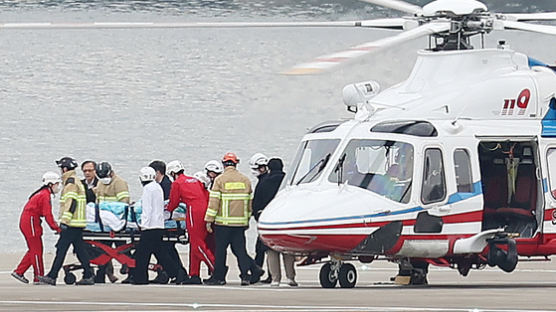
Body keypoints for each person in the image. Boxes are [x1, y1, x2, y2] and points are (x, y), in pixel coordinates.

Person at [204, 153, 263, 286]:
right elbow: (249, 204)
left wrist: (209, 220)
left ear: (224, 164)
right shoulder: (245, 180)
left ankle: (219, 277)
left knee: (220, 251)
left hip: (222, 223)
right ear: (236, 164)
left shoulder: (220, 180)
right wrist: (247, 220)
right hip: (240, 223)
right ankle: (245, 276)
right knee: (241, 250)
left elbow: (214, 203)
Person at [38, 157, 94, 286]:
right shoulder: (76, 181)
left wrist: (65, 221)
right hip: (77, 223)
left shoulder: (70, 183)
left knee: (61, 249)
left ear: (64, 169)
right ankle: (88, 274)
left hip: (72, 224)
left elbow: (71, 202)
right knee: (80, 250)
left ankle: (52, 276)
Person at [132, 167, 185, 285]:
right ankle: (177, 273)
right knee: (160, 253)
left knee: (142, 254)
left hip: (149, 227)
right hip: (159, 226)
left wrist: (143, 225)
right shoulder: (157, 187)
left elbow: (147, 209)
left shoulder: (147, 189)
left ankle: (140, 278)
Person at [167, 160, 214, 284]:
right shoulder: (194, 180)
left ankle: (216, 268)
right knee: (195, 244)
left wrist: (167, 211)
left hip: (194, 211)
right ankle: (194, 274)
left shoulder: (177, 183)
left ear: (172, 173)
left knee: (197, 244)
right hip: (204, 209)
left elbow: (173, 202)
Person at [12, 172, 62, 284]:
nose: (58, 186)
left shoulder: (41, 193)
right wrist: (56, 228)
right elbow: (47, 214)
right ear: (50, 184)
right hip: (31, 223)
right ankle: (38, 276)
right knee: (37, 251)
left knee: (34, 249)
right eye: (57, 184)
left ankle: (19, 271)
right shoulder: (45, 195)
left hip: (28, 222)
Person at [257, 158, 297, 287]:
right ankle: (291, 278)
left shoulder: (264, 182)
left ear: (268, 168)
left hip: (270, 219)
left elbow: (256, 202)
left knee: (271, 251)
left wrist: (259, 218)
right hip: (287, 219)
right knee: (288, 251)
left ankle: (275, 279)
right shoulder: (289, 181)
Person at [148, 159, 187, 284]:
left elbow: (168, 204)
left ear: (158, 172)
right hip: (166, 220)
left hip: (168, 222)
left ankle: (174, 273)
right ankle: (177, 273)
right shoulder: (164, 184)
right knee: (168, 249)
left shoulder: (165, 186)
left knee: (165, 248)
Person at [95, 161, 130, 283]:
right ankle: (101, 275)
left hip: (117, 222)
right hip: (104, 224)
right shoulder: (100, 183)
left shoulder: (119, 183)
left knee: (122, 249)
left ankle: (129, 270)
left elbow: (124, 202)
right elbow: (98, 201)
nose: (104, 179)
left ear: (111, 173)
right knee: (104, 250)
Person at [249, 152, 272, 283]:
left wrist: (255, 213)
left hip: (264, 220)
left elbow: (258, 201)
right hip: (267, 218)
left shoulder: (263, 182)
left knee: (261, 248)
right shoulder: (267, 180)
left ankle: (257, 273)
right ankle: (268, 274)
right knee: (264, 249)